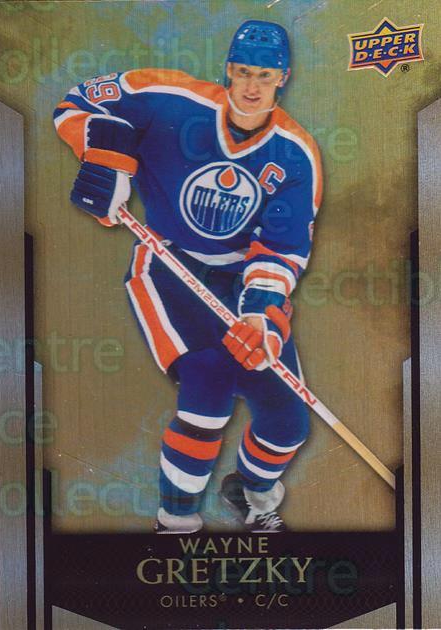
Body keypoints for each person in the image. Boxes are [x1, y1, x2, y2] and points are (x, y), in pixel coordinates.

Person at [54, 20, 323, 533]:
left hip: (241, 280)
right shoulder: (170, 98)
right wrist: (107, 161)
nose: (251, 86)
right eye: (243, 72)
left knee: (288, 422)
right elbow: (79, 102)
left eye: (264, 76)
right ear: (228, 69)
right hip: (167, 266)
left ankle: (250, 493)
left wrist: (260, 316)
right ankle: (175, 523)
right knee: (208, 382)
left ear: (283, 78)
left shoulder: (295, 153)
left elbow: (282, 248)